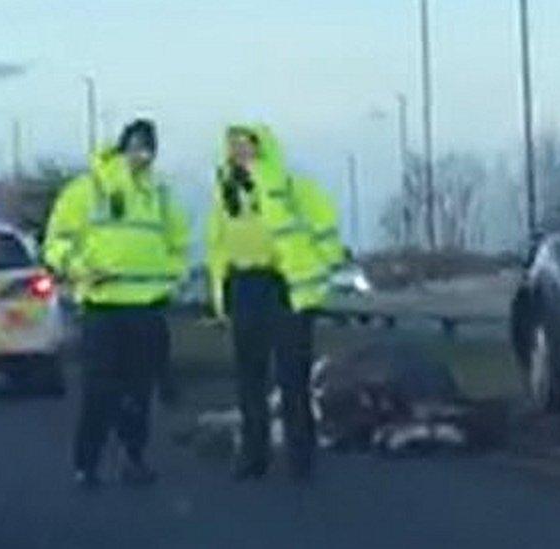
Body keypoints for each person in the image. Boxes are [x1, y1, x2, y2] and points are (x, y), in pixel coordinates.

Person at [44, 119, 189, 488]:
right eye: (136, 146)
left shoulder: (160, 194)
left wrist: (170, 277)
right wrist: (81, 269)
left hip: (146, 306)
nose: (142, 154)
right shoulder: (88, 189)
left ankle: (133, 458)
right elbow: (56, 243)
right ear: (122, 147)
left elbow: (179, 246)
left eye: (149, 148)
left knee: (140, 391)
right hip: (103, 305)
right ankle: (86, 463)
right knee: (100, 389)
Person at [206, 124, 344, 481]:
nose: (240, 153)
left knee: (292, 378)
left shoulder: (293, 187)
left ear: (262, 149)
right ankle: (255, 454)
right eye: (233, 147)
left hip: (285, 288)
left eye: (247, 146)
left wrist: (315, 272)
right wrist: (221, 293)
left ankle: (301, 459)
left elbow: (326, 231)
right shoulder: (226, 193)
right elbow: (218, 244)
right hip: (245, 285)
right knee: (249, 377)